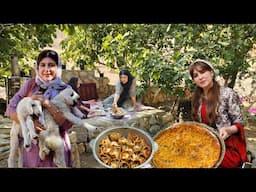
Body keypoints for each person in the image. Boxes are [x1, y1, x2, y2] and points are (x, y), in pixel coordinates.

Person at [6, 49, 74, 168]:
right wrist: (30, 122)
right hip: (33, 151)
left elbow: (69, 123)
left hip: (56, 149)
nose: (47, 69)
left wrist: (48, 105)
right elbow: (11, 109)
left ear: (58, 67)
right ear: (37, 67)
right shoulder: (30, 85)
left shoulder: (66, 89)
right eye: (43, 65)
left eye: (51, 65)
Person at [189, 59, 248, 168]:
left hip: (227, 145)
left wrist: (228, 130)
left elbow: (239, 123)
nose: (200, 77)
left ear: (211, 72)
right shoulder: (196, 99)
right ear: (194, 80)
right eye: (196, 75)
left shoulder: (227, 94)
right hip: (205, 143)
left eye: (203, 72)